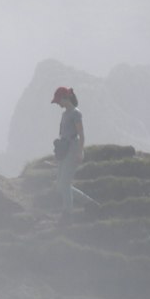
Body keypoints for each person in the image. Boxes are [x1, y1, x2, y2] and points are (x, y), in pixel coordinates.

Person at [51, 85, 94, 217]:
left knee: (65, 183)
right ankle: (89, 202)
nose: (58, 103)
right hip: (63, 150)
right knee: (60, 186)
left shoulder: (76, 113)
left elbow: (81, 134)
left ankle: (67, 212)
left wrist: (80, 152)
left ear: (65, 98)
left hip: (73, 149)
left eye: (58, 101)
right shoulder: (64, 114)